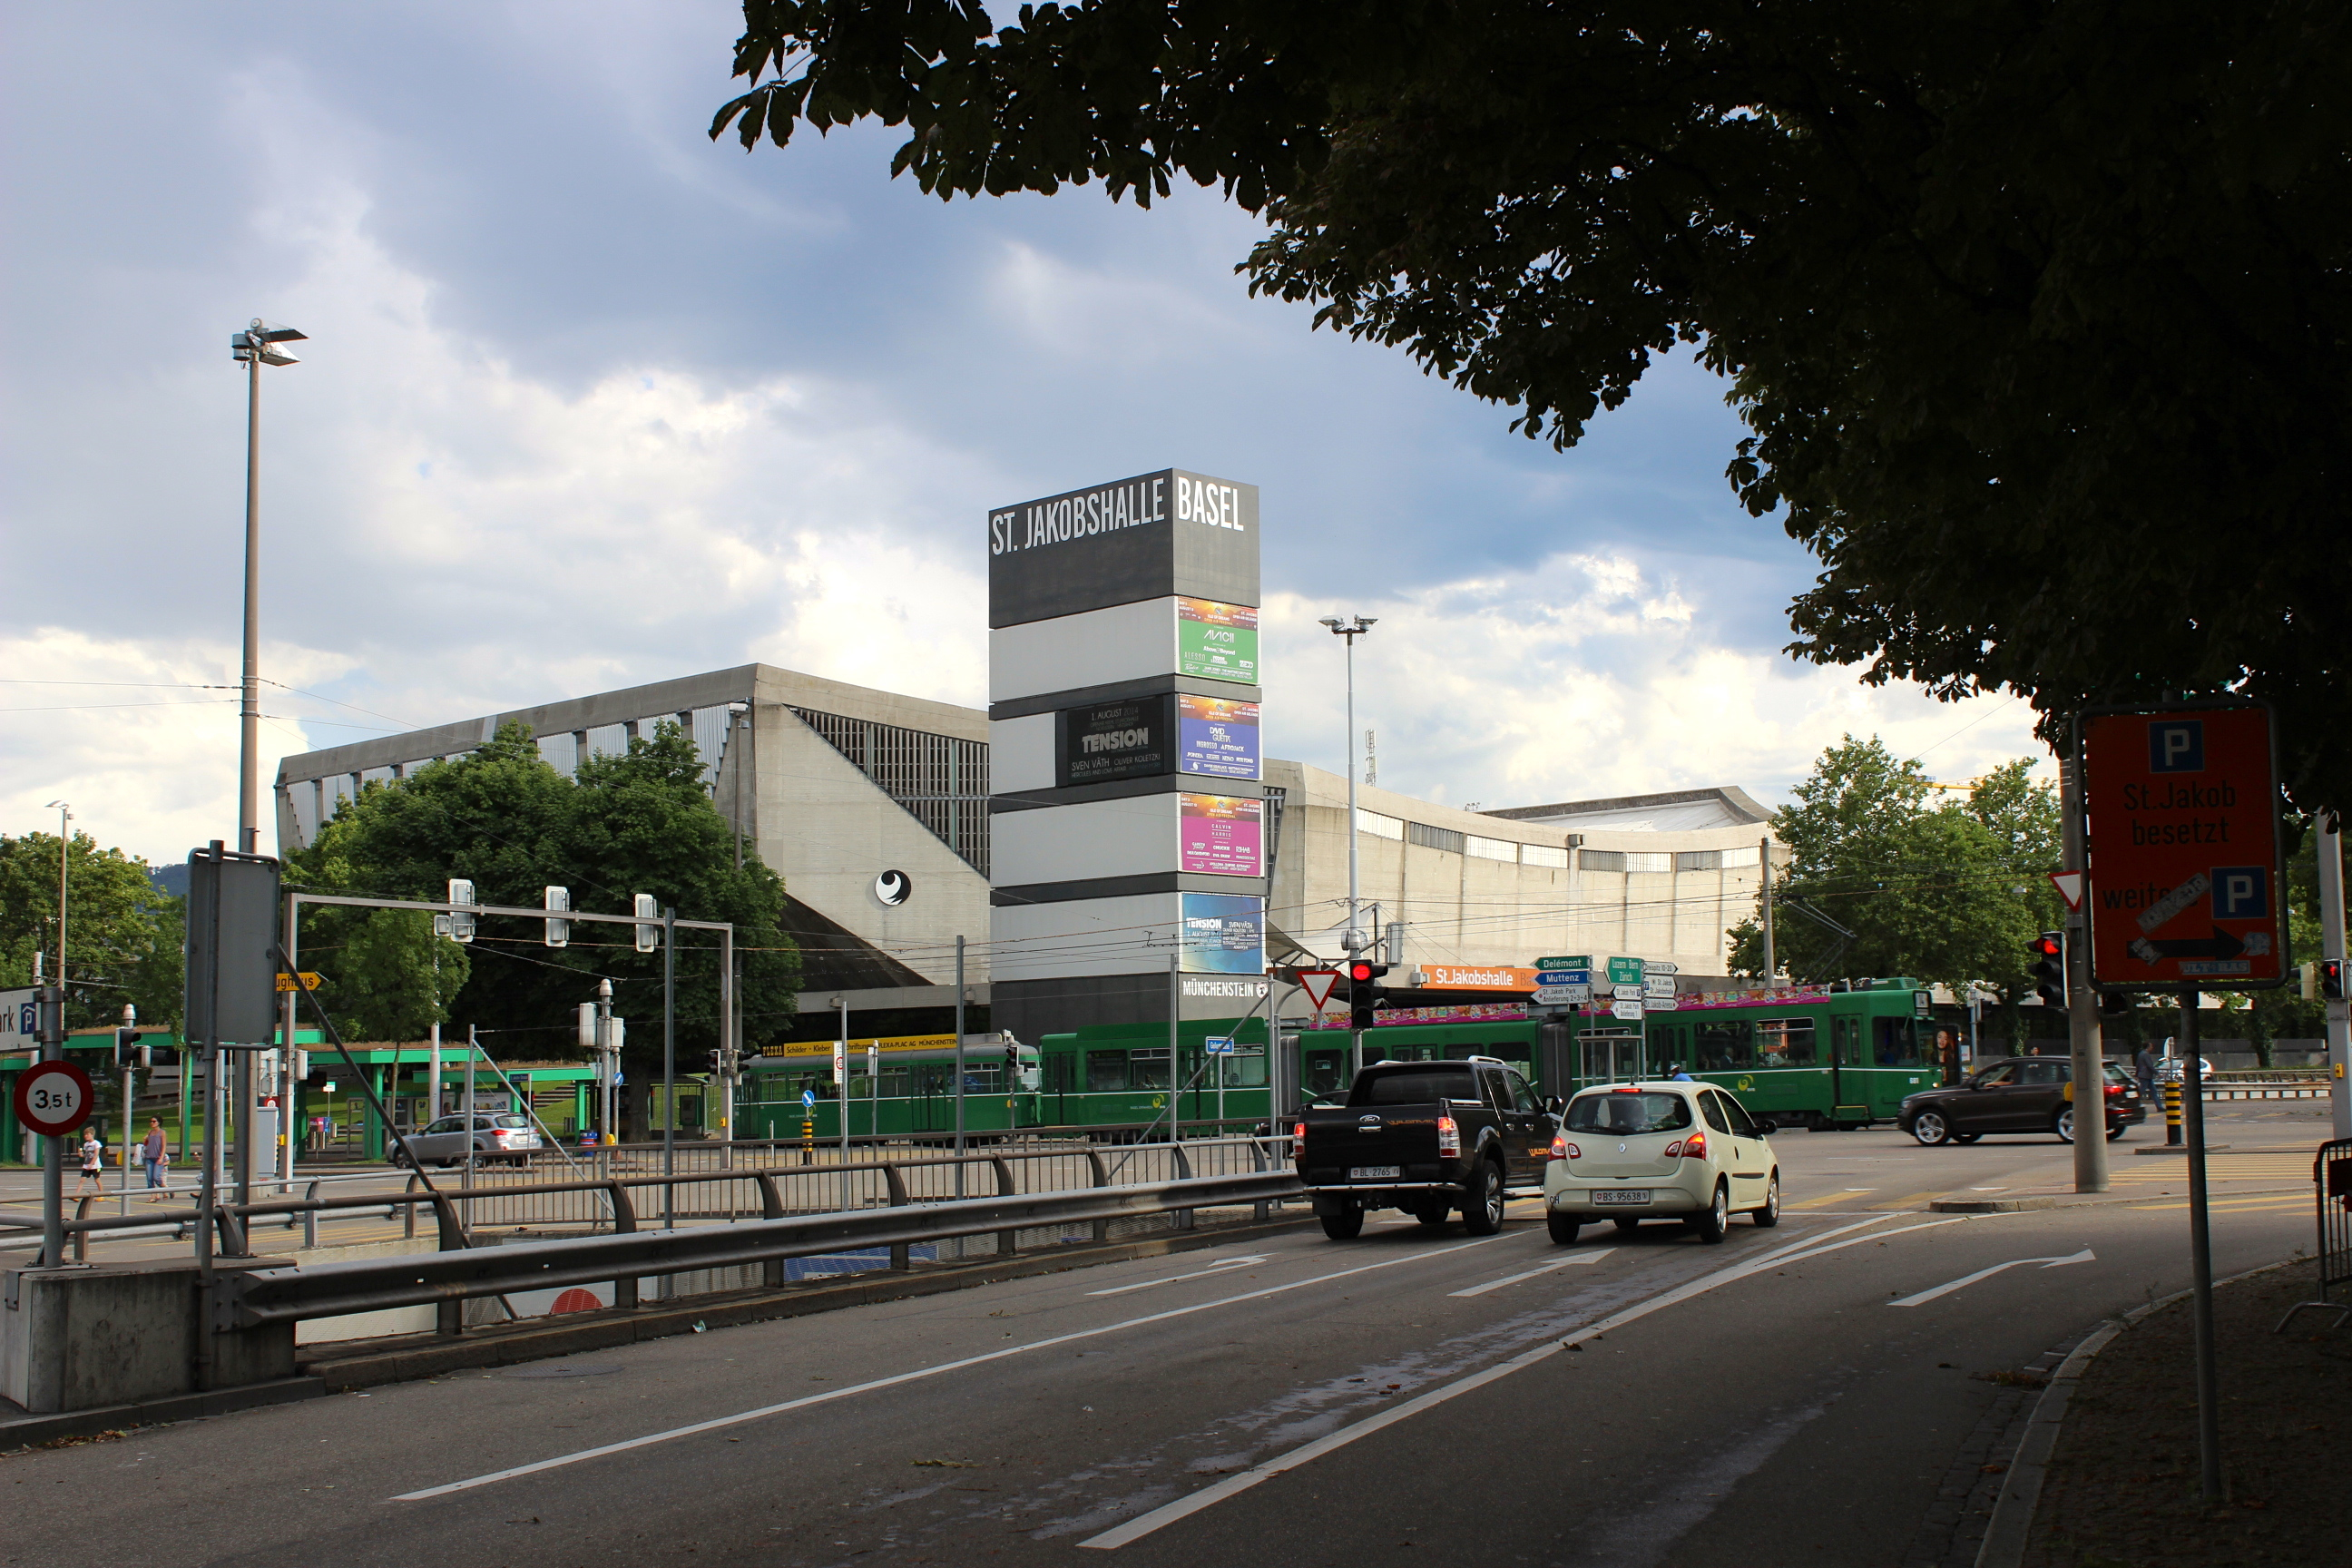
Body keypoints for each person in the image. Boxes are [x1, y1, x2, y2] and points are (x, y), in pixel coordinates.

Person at [142, 1117, 169, 1200]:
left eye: (154, 1121)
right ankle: (153, 1197)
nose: (152, 1123)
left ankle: (167, 1189)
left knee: (156, 1177)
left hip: (158, 1158)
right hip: (149, 1158)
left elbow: (164, 1146)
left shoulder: (162, 1132)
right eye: (151, 1121)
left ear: (159, 1122)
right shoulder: (150, 1132)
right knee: (149, 1179)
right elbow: (147, 1144)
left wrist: (161, 1157)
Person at [74, 1126, 104, 1198]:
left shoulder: (96, 1143)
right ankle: (76, 1195)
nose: (86, 1136)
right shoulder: (86, 1144)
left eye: (87, 1134)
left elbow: (96, 1155)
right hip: (86, 1165)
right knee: (82, 1180)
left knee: (97, 1180)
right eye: (85, 1135)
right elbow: (86, 1155)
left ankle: (101, 1195)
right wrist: (81, 1154)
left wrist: (91, 1164)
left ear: (92, 1135)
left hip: (96, 1165)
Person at [2134, 1040, 2159, 1107]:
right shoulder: (2146, 1054)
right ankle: (2134, 1102)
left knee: (2153, 1092)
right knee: (2142, 1091)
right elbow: (2149, 1065)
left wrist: (2136, 1074)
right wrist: (2157, 1072)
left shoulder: (2141, 1054)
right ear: (2148, 1047)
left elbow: (2138, 1065)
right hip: (2145, 1076)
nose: (2152, 1048)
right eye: (2151, 1046)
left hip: (2144, 1076)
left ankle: (2159, 1106)